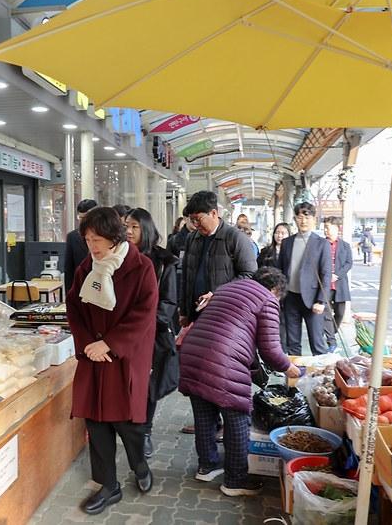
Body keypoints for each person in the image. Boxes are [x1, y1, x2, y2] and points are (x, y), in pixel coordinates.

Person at [66, 207, 159, 515]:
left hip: (124, 355)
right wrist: (88, 344)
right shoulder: (86, 268)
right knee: (95, 419)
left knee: (126, 419)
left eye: (97, 238)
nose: (92, 245)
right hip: (93, 353)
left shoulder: (141, 266)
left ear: (114, 236)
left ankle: (139, 464)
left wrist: (111, 343)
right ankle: (108, 486)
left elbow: (145, 313)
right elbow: (75, 306)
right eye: (87, 238)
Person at [178, 267, 302, 496]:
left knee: (205, 414)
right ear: (276, 290)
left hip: (192, 353)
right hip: (223, 359)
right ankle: (235, 480)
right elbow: (270, 349)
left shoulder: (226, 288)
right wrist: (289, 367)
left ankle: (207, 466)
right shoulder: (268, 300)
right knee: (237, 418)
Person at [178, 191, 257, 436]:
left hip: (226, 321)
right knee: (201, 371)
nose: (195, 224)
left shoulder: (235, 239)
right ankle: (209, 421)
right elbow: (187, 276)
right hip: (197, 317)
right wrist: (184, 310)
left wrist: (218, 293)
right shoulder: (193, 239)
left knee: (221, 372)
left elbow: (250, 276)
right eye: (191, 220)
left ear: (214, 213)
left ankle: (228, 422)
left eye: (198, 218)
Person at [125, 208, 180, 458]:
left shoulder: (163, 261)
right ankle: (128, 427)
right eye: (126, 225)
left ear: (145, 229)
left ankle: (145, 432)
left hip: (152, 333)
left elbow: (169, 302)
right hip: (122, 333)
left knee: (149, 384)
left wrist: (144, 323)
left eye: (134, 226)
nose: (128, 231)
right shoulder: (117, 256)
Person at [278, 202, 332, 356]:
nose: (303, 221)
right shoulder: (287, 243)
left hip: (313, 300)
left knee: (317, 343)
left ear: (313, 219)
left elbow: (326, 274)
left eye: (307, 217)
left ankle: (321, 378)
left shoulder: (322, 244)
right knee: (292, 343)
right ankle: (296, 378)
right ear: (295, 219)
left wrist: (321, 301)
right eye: (300, 217)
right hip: (290, 298)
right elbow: (280, 271)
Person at [321, 217, 353, 352]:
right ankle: (332, 342)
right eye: (325, 227)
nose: (325, 230)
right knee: (326, 313)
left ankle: (331, 332)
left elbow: (348, 263)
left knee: (340, 312)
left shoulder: (345, 246)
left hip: (340, 284)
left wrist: (337, 275)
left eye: (328, 227)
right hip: (325, 285)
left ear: (337, 228)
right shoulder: (321, 244)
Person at [64, 199, 98, 290]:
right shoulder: (72, 237)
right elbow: (69, 269)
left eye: (86, 218)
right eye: (81, 218)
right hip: (81, 286)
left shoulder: (106, 236)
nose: (84, 222)